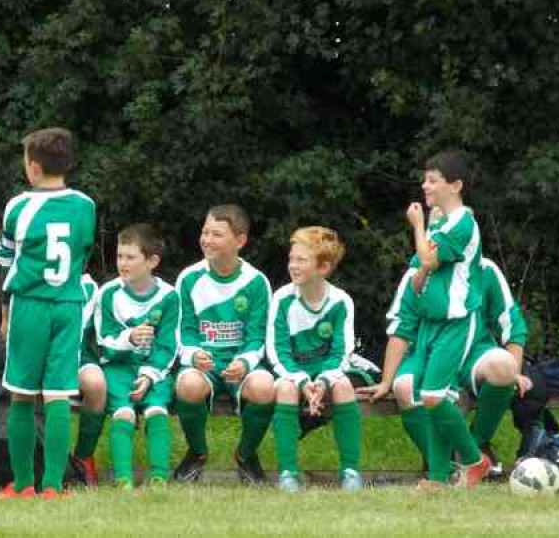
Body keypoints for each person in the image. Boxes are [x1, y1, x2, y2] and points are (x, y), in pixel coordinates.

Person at [0, 128, 96, 499]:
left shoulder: (18, 207)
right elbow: (83, 252)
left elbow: (7, 261)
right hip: (69, 304)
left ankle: (22, 484)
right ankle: (54, 486)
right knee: (58, 396)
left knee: (21, 394)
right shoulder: (86, 205)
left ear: (33, 168)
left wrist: (4, 313)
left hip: (29, 304)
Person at [359, 256, 528, 480]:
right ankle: (448, 470)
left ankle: (477, 447)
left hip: (472, 352)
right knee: (404, 387)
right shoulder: (417, 273)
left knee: (504, 366)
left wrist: (515, 372)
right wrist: (386, 381)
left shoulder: (484, 269)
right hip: (425, 354)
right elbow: (400, 331)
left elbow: (511, 323)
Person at [400, 150, 491, 489]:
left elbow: (427, 258)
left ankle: (474, 460)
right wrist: (423, 265)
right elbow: (419, 270)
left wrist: (419, 225)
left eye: (433, 180)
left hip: (456, 321)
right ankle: (438, 479)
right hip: (431, 323)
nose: (425, 186)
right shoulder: (441, 223)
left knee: (436, 397)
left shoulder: (463, 224)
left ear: (455, 186)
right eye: (426, 179)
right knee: (430, 398)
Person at [173, 204, 273, 484]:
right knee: (189, 385)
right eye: (205, 232)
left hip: (240, 362)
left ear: (239, 241)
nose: (206, 239)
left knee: (264, 387)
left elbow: (258, 337)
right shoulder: (189, 278)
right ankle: (197, 453)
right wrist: (193, 356)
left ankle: (246, 455)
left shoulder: (256, 282)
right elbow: (184, 332)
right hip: (204, 363)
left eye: (217, 234)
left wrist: (244, 362)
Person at [266, 226, 362, 491]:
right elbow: (277, 350)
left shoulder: (341, 301)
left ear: (323, 267)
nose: (292, 265)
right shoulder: (283, 298)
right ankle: (288, 473)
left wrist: (323, 381)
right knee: (284, 388)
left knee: (343, 386)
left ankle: (351, 472)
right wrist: (300, 381)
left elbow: (342, 353)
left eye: (301, 260)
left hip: (327, 371)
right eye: (291, 258)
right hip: (292, 372)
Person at [95, 224, 179, 489]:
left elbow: (169, 346)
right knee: (123, 413)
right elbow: (103, 340)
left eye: (131, 257)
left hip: (154, 370)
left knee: (156, 410)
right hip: (118, 367)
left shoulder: (169, 296)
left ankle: (158, 477)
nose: (123, 263)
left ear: (152, 261)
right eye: (120, 256)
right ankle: (123, 479)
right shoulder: (108, 293)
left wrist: (149, 375)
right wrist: (129, 338)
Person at [72, 273, 105, 486]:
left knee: (96, 383)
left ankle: (83, 456)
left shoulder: (90, 289)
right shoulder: (34, 280)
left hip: (77, 359)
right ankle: (37, 459)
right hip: (40, 360)